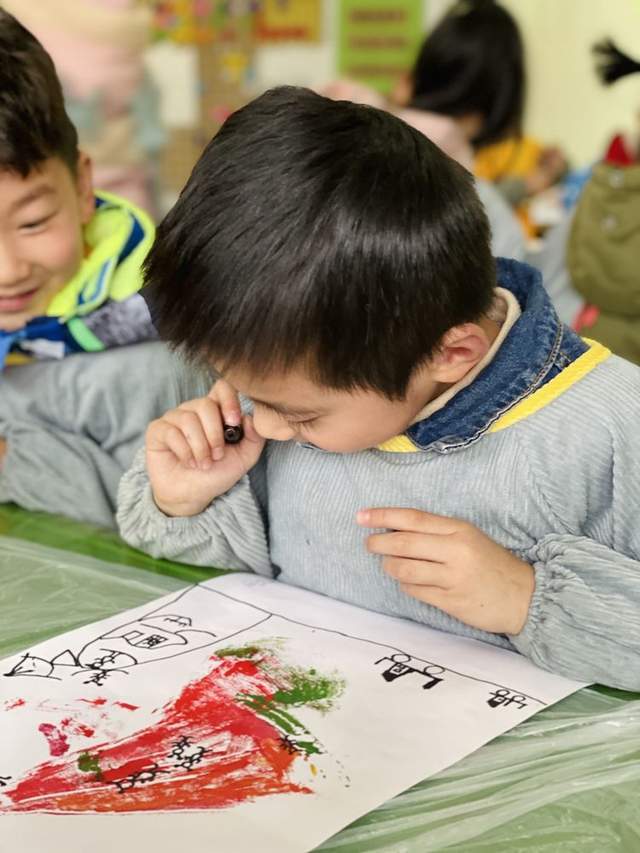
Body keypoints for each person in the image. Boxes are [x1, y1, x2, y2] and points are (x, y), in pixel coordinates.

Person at [118, 87, 640, 692]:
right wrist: (186, 499)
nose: (261, 425)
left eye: (300, 416)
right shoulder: (291, 367)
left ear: (451, 353)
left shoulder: (608, 427)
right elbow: (223, 569)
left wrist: (526, 598)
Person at [0, 10, 175, 526]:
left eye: (33, 222)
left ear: (81, 188)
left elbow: (158, 511)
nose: (8, 270)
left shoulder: (155, 329)